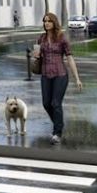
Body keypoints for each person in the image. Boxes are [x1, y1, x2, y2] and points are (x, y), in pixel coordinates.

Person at [36, 12, 82, 145]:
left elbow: (70, 58)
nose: (46, 23)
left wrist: (77, 78)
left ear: (54, 22)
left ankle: (57, 133)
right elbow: (38, 55)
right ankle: (59, 123)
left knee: (56, 103)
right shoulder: (41, 38)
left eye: (49, 21)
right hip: (45, 74)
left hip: (60, 75)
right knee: (46, 103)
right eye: (45, 21)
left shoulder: (62, 38)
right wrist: (36, 55)